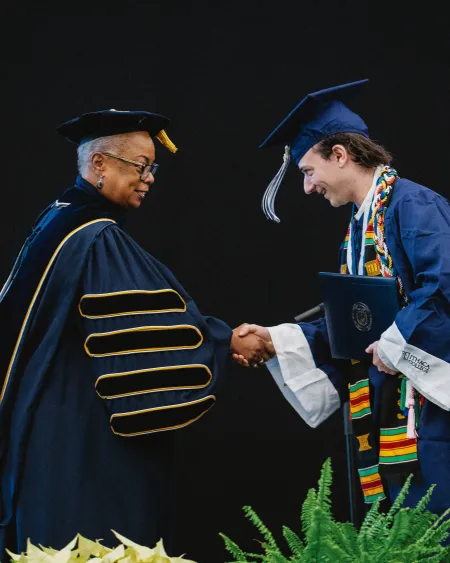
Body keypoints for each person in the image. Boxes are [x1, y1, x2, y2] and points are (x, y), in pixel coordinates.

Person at [0, 109, 273, 555]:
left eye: (152, 167)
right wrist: (226, 343)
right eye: (140, 166)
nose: (149, 178)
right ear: (100, 165)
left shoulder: (57, 219)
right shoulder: (94, 237)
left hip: (42, 416)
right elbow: (151, 327)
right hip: (80, 430)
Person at [234, 80, 450, 516]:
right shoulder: (358, 232)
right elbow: (360, 325)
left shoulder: (414, 206)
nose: (308, 188)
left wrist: (395, 341)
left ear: (339, 155)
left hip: (429, 409)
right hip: (391, 408)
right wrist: (279, 339)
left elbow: (442, 286)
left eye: (308, 172)